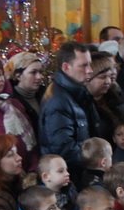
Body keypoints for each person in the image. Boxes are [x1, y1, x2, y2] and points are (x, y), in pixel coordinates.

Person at [40, 42, 97, 174]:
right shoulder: (58, 101)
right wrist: (95, 159)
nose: (90, 70)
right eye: (83, 65)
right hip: (69, 174)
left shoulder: (78, 92)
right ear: (66, 67)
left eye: (90, 64)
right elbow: (63, 149)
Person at [4, 51, 46, 131]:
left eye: (40, 72)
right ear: (18, 76)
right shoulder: (10, 102)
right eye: (33, 72)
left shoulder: (47, 95)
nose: (39, 77)